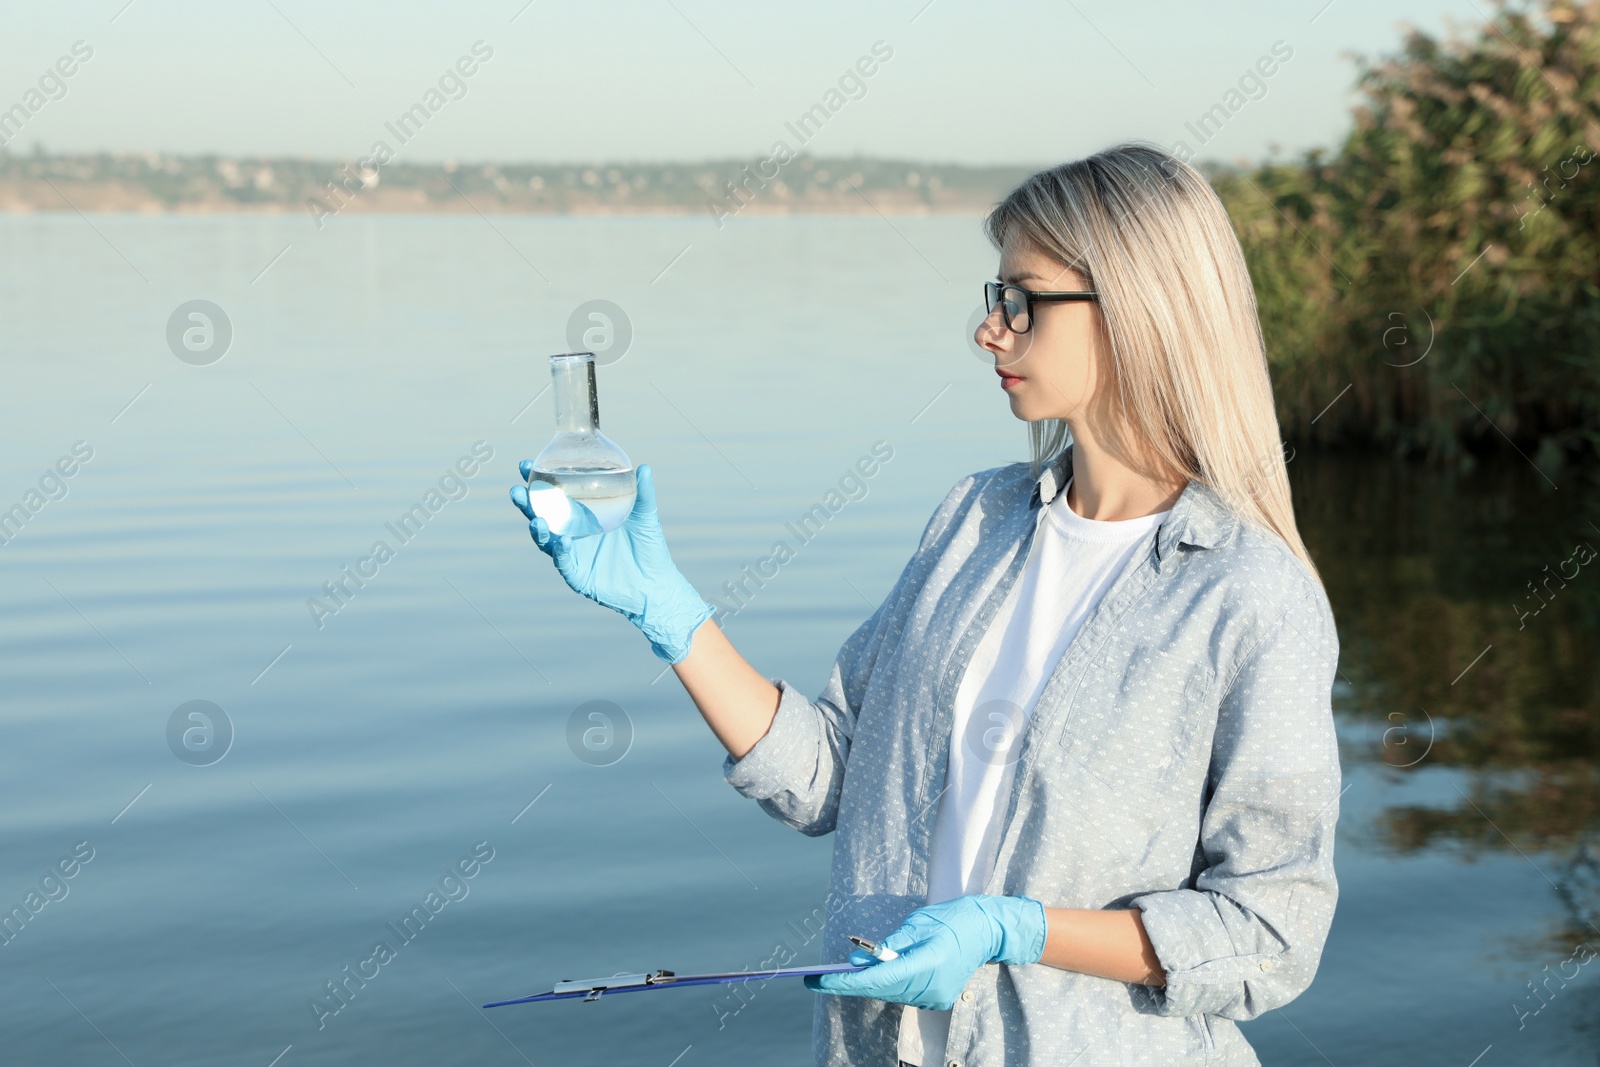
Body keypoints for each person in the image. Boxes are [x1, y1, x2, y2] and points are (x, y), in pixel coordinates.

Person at [509, 141, 1342, 1067]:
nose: (991, 332)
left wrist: (1016, 929)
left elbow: (1269, 932)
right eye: (995, 303)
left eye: (1021, 303)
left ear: (1136, 312)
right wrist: (670, 613)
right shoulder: (972, 522)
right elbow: (830, 775)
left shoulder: (1248, 593)